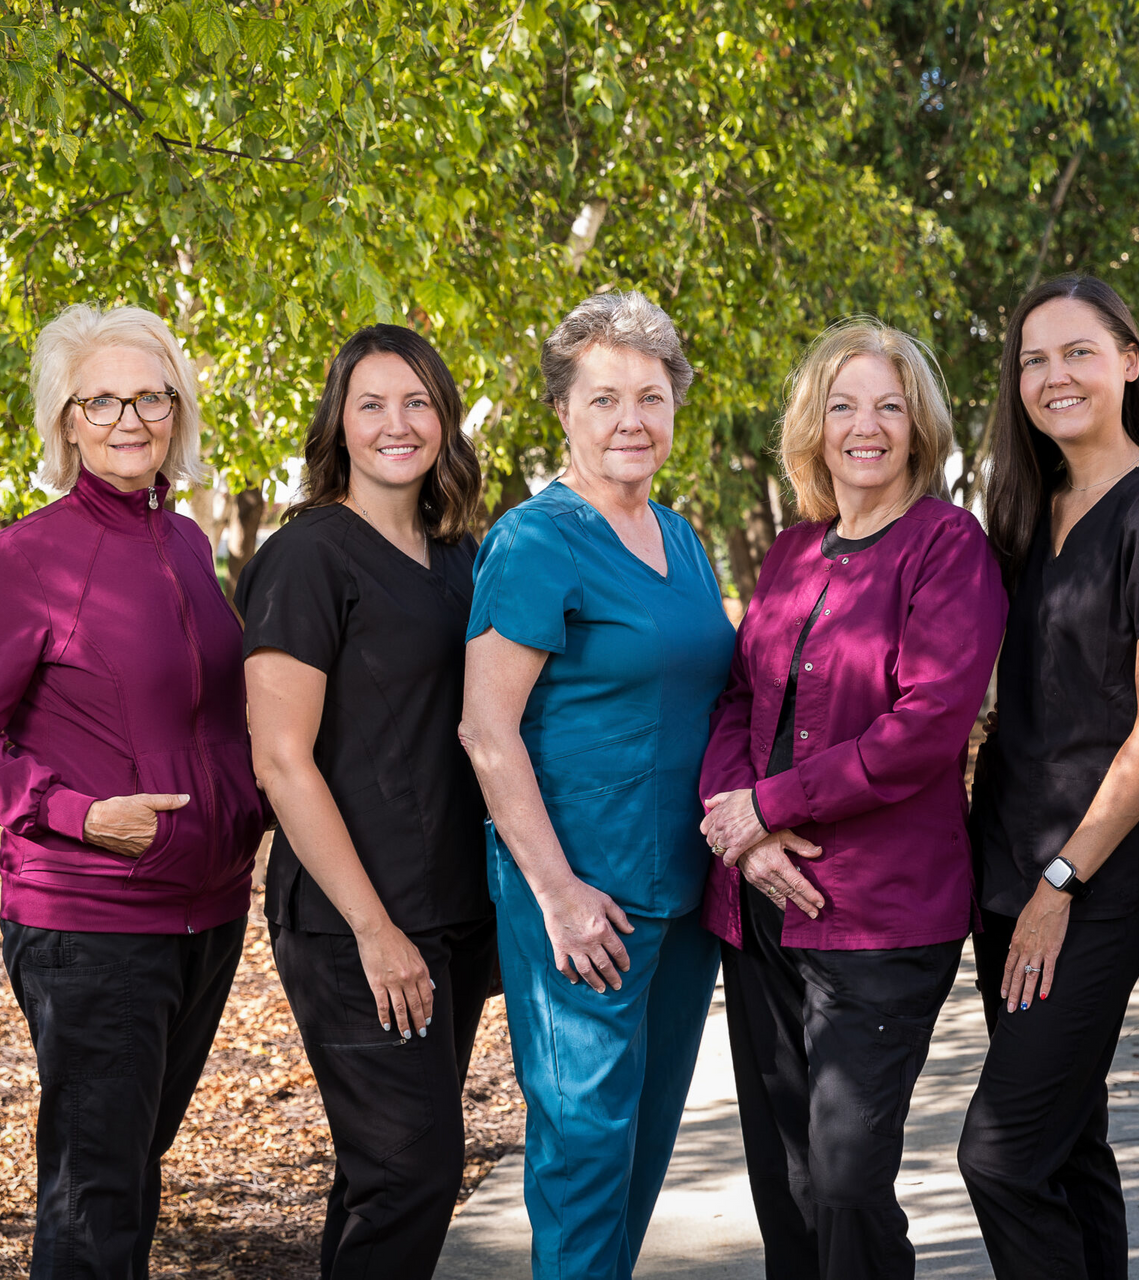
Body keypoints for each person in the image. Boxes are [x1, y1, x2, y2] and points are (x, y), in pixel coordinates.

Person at [697, 318, 1007, 1280]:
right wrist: (738, 829)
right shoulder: (792, 554)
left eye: (887, 406)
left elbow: (925, 725)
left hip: (878, 916)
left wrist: (772, 803)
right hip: (757, 907)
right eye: (842, 405)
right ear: (813, 426)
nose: (863, 426)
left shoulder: (948, 547)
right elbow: (739, 699)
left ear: (919, 426)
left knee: (842, 1176)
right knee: (784, 1181)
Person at [459, 291, 736, 1280]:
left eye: (652, 396)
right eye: (606, 396)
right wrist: (558, 894)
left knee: (637, 1159)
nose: (632, 419)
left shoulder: (684, 537)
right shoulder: (538, 542)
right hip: (580, 902)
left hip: (682, 899)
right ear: (563, 413)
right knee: (582, 1163)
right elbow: (485, 730)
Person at [958, 275, 1139, 1280]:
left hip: (1091, 879)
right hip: (1007, 860)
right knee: (1066, 1146)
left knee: (999, 1153)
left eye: (1078, 350)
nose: (1054, 374)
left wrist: (1059, 884)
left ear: (1129, 361)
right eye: (1034, 358)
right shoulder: (1029, 505)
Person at [0, 304, 266, 1277]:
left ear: (178, 409)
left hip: (206, 914)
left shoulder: (190, 546)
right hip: (90, 915)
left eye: (151, 395)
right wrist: (73, 812)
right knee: (95, 1188)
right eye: (101, 398)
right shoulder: (29, 556)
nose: (129, 417)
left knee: (128, 1172)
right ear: (66, 420)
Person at [235, 325, 495, 1279]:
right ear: (338, 423)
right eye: (372, 403)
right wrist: (374, 929)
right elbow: (280, 759)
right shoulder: (308, 557)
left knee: (379, 1176)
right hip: (358, 923)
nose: (398, 423)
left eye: (418, 402)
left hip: (454, 915)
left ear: (446, 420)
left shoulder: (462, 558)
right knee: (411, 1176)